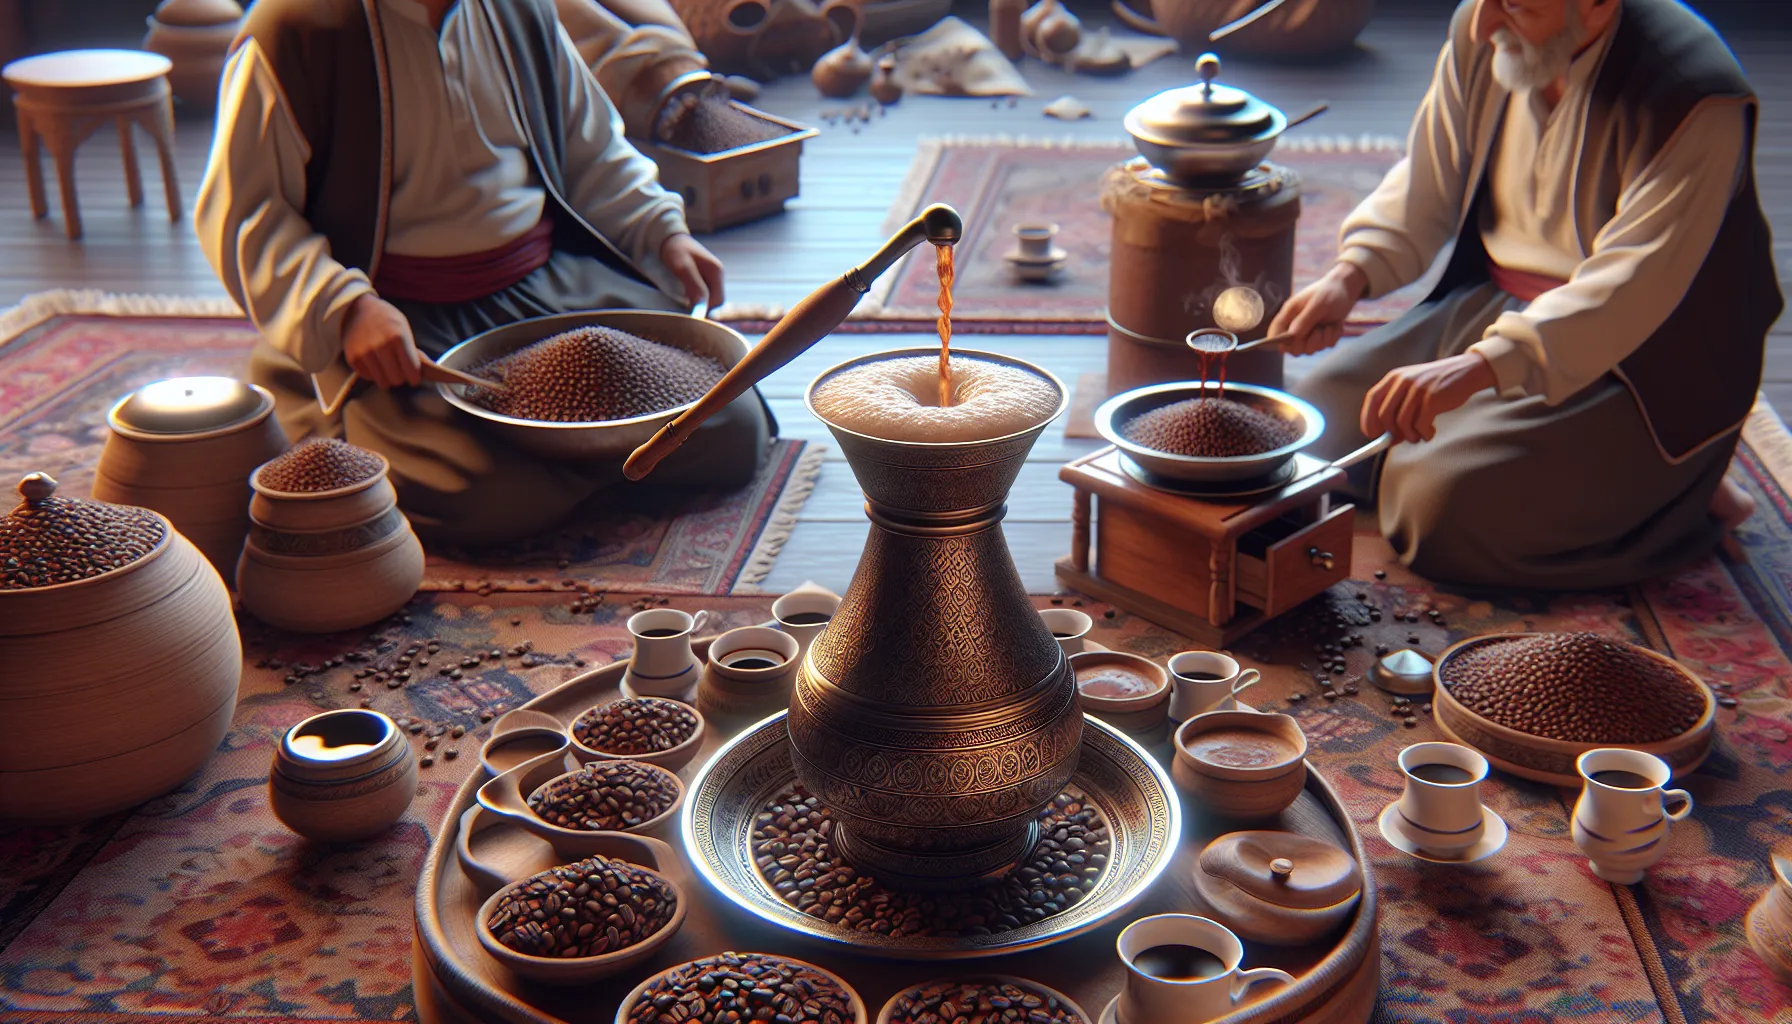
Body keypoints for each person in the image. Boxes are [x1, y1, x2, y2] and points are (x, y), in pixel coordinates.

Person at [196, 0, 773, 545]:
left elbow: (590, 148)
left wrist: (660, 230)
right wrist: (345, 310)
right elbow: (247, 214)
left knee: (734, 427)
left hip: (552, 293)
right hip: (402, 320)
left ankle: (565, 465)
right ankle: (602, 462)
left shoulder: (518, 9)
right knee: (475, 494)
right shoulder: (295, 29)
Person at [1270, 0, 1782, 588]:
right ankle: (1600, 473)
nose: (1484, 22)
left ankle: (1679, 492)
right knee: (1315, 421)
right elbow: (1431, 174)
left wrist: (1477, 367)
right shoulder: (1489, 20)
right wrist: (1351, 274)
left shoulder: (1694, 97)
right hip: (1495, 302)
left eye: (1517, 6)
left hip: (1640, 355)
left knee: (1434, 502)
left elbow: (1630, 290)